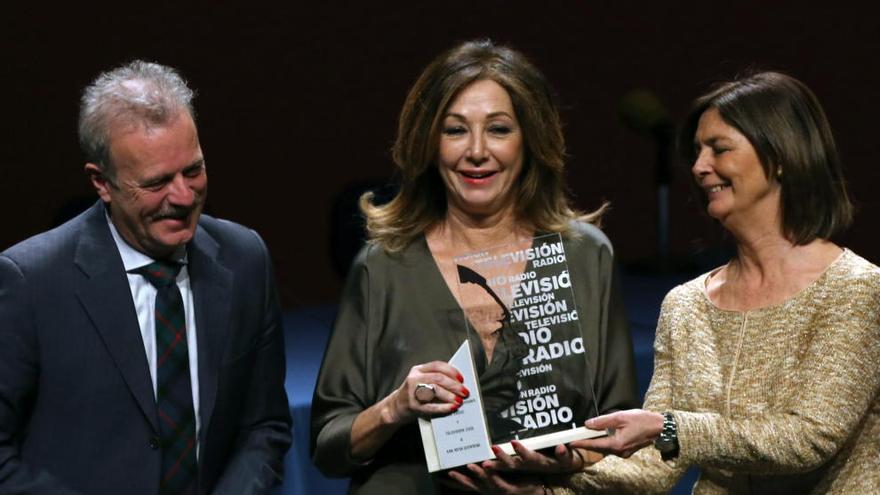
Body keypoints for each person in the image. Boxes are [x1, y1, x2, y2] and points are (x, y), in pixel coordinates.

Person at [468, 71, 880, 494]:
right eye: (697, 152)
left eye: (718, 149)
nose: (700, 167)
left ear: (780, 157)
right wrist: (546, 485)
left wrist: (667, 428)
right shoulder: (687, 304)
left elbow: (808, 439)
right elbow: (654, 466)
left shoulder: (854, 289)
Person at [310, 39, 638, 493]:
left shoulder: (586, 255)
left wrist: (550, 481)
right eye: (455, 130)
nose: (477, 151)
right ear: (428, 142)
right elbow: (328, 447)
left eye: (499, 129)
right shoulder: (383, 265)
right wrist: (395, 408)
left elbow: (619, 432)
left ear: (531, 139)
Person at [0, 60, 292, 495]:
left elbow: (264, 425)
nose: (183, 196)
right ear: (102, 182)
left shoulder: (245, 258)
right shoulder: (30, 281)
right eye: (156, 182)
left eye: (193, 170)